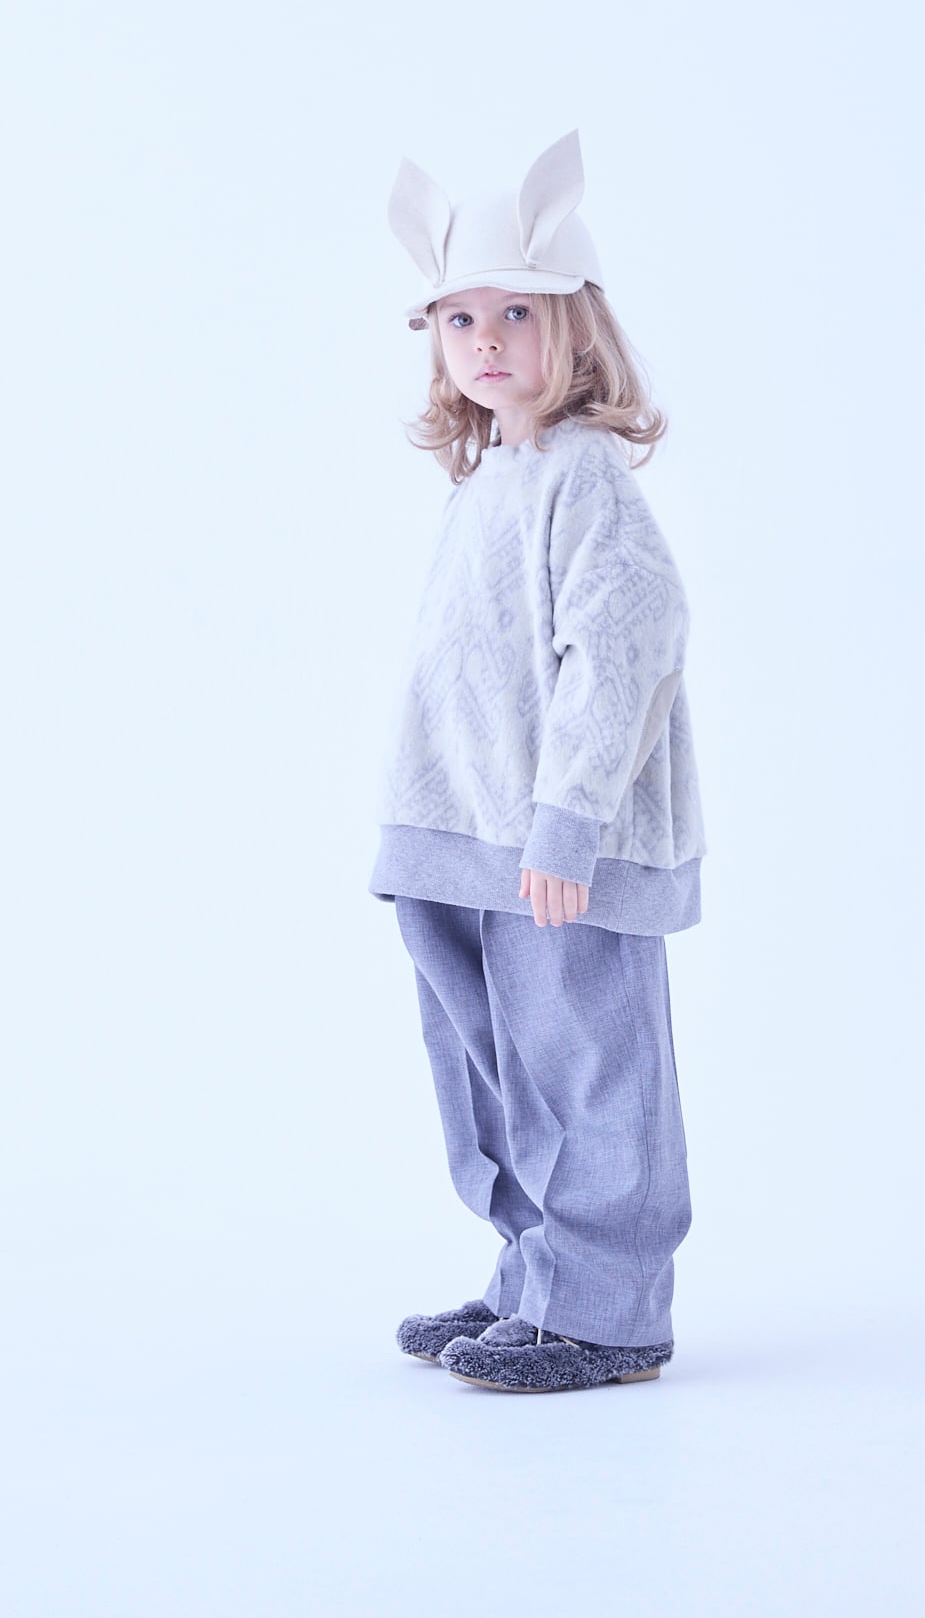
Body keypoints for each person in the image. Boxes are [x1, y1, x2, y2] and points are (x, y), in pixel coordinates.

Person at [367, 131, 705, 1395]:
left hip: (553, 845)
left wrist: (566, 818)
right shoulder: (485, 484)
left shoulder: (583, 480)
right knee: (496, 1068)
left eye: (517, 311)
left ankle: (606, 1308)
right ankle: (534, 1277)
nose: (487, 340)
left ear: (577, 326)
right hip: (462, 836)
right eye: (460, 318)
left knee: (587, 1065)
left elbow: (617, 652)